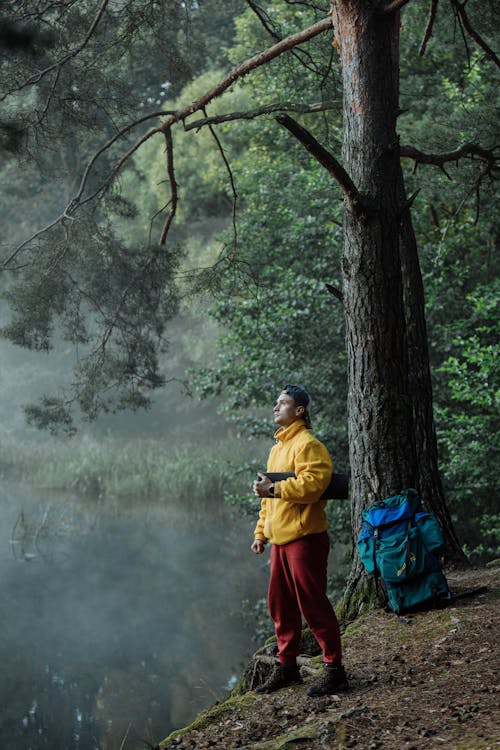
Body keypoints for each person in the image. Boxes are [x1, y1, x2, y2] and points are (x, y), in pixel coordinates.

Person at [251, 384, 348, 697]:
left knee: (313, 604)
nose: (276, 407)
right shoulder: (277, 449)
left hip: (305, 538)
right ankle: (287, 667)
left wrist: (274, 489)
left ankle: (335, 670)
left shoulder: (308, 444)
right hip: (280, 541)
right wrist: (260, 533)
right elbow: (269, 499)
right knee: (280, 605)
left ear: (300, 410)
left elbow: (313, 485)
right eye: (276, 402)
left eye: (283, 403)